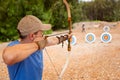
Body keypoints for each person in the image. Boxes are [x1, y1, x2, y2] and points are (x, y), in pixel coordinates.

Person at [2, 15, 70, 80]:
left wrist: (66, 37)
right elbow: (8, 56)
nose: (43, 36)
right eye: (41, 33)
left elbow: (52, 40)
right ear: (32, 36)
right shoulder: (14, 46)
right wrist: (38, 45)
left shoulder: (38, 43)